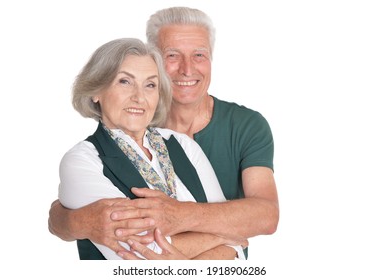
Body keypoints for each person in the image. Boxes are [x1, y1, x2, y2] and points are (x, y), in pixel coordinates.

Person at [49, 7, 279, 260]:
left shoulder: (188, 144)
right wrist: (69, 220)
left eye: (149, 84)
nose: (187, 69)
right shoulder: (85, 159)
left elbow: (253, 231)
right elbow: (143, 256)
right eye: (125, 81)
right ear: (96, 90)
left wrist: (180, 220)